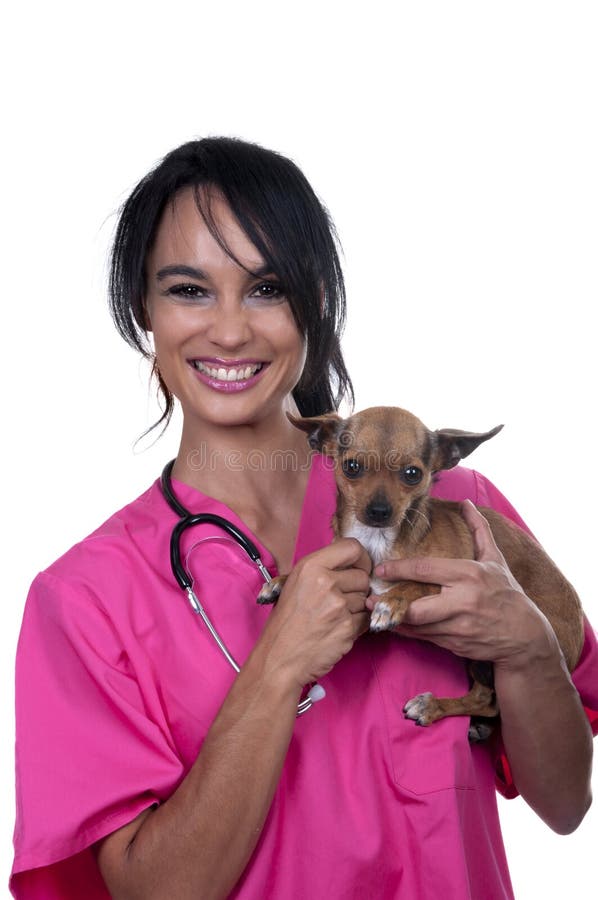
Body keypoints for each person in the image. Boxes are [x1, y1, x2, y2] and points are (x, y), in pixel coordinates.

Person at [10, 137, 598, 900]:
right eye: (188, 290)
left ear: (315, 303)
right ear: (140, 309)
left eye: (266, 289)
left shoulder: (467, 518)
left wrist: (523, 648)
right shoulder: (84, 602)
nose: (229, 331)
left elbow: (567, 803)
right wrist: (279, 662)